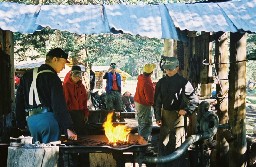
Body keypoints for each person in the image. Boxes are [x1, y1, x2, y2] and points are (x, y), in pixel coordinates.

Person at [15, 48, 77, 144]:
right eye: (63, 63)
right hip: (48, 120)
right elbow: (59, 105)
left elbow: (19, 101)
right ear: (55, 59)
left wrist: (20, 123)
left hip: (32, 122)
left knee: (37, 154)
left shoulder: (27, 75)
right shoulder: (53, 77)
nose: (64, 67)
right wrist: (68, 127)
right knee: (49, 155)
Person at [154, 57, 199, 167]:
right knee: (163, 145)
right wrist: (158, 117)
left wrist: (187, 110)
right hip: (165, 117)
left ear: (177, 68)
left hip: (178, 118)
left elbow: (195, 100)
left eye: (170, 69)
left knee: (178, 146)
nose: (168, 71)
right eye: (166, 69)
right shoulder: (161, 82)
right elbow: (157, 102)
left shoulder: (183, 83)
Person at [63, 65, 89, 135]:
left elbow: (84, 101)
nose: (77, 77)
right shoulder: (66, 85)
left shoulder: (82, 86)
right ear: (71, 74)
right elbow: (65, 101)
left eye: (79, 74)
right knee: (72, 136)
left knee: (81, 134)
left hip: (80, 114)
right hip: (70, 114)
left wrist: (86, 114)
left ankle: (81, 145)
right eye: (75, 74)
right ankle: (72, 144)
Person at [134, 63, 156, 141]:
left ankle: (140, 139)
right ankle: (143, 143)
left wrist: (153, 85)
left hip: (138, 102)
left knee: (141, 122)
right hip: (144, 104)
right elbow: (150, 99)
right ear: (151, 72)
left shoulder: (141, 78)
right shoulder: (147, 83)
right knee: (146, 123)